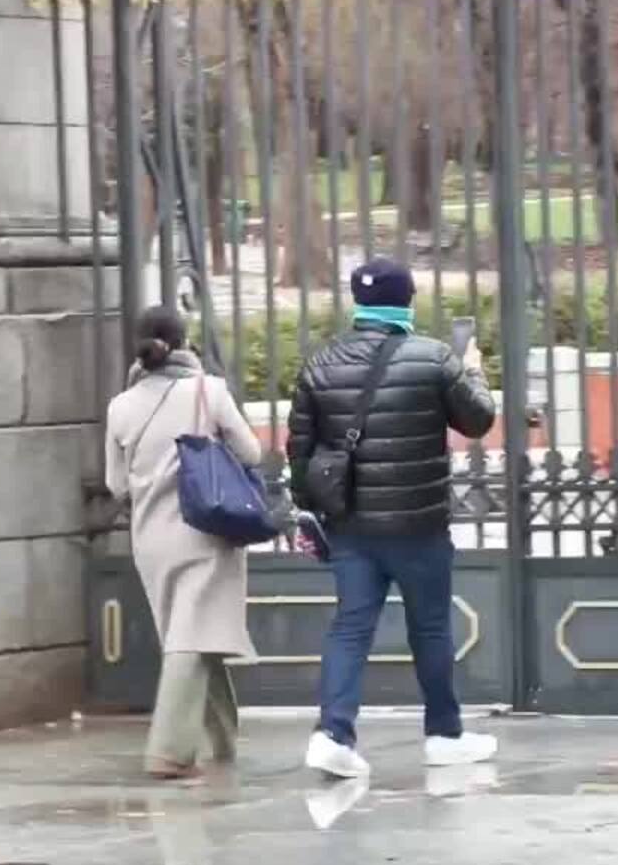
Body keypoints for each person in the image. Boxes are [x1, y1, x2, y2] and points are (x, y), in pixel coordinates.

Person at [287, 258, 498, 779]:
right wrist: (473, 369)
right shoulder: (434, 360)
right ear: (406, 301)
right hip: (419, 528)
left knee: (350, 627)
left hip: (351, 528)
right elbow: (478, 420)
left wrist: (313, 515)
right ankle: (444, 734)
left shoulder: (320, 364)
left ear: (359, 304)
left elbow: (299, 454)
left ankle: (333, 733)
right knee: (429, 628)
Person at [105, 305, 264, 779]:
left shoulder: (120, 405)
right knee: (192, 637)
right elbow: (251, 452)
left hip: (150, 539)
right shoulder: (207, 392)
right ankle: (169, 751)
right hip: (204, 532)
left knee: (191, 634)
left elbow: (116, 484)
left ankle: (223, 743)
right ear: (182, 343)